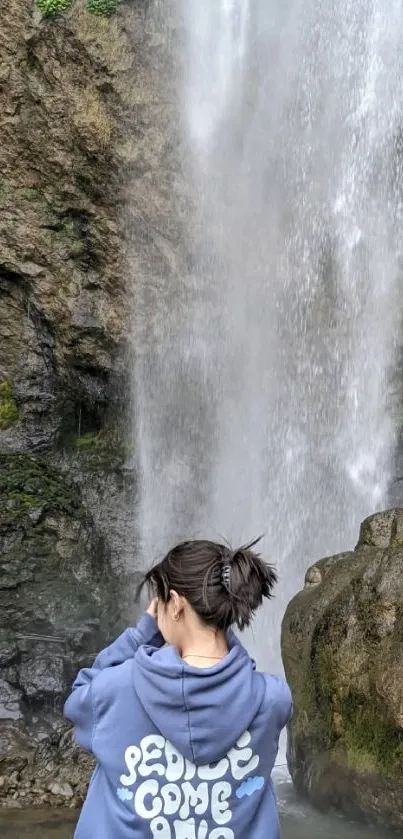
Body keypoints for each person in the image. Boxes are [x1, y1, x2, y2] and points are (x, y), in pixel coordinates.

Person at [64, 539, 292, 839]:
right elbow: (234, 673)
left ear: (175, 604)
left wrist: (141, 635)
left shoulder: (115, 688)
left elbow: (79, 697)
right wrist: (221, 633)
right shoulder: (272, 699)